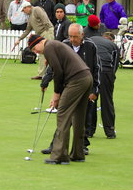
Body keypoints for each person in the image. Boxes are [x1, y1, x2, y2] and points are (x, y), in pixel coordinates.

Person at [28, 34, 92, 164]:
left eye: (34, 48)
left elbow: (58, 71)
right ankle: (78, 154)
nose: (36, 52)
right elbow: (57, 68)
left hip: (76, 80)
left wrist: (56, 94)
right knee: (78, 117)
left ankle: (60, 156)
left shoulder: (49, 47)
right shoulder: (54, 45)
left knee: (63, 115)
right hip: (86, 77)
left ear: (40, 42)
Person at [40, 24, 100, 156]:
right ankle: (55, 145)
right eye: (70, 36)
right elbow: (54, 66)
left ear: (82, 35)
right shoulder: (64, 44)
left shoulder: (90, 46)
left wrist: (95, 90)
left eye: (75, 37)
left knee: (82, 118)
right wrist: (45, 80)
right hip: (68, 85)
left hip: (84, 85)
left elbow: (96, 68)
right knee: (64, 117)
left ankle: (82, 146)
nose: (72, 39)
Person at [89, 32, 120, 138]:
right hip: (106, 71)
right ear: (111, 39)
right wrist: (111, 77)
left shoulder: (91, 40)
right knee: (107, 101)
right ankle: (110, 131)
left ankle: (89, 130)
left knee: (91, 100)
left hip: (92, 71)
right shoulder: (114, 46)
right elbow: (115, 65)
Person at [13, 1, 54, 79]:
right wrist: (19, 39)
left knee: (47, 53)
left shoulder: (36, 9)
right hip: (41, 34)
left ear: (28, 7)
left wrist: (47, 31)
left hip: (46, 31)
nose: (24, 12)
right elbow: (27, 30)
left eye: (24, 10)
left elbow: (44, 19)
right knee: (42, 54)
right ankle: (43, 74)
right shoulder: (30, 17)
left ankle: (44, 74)